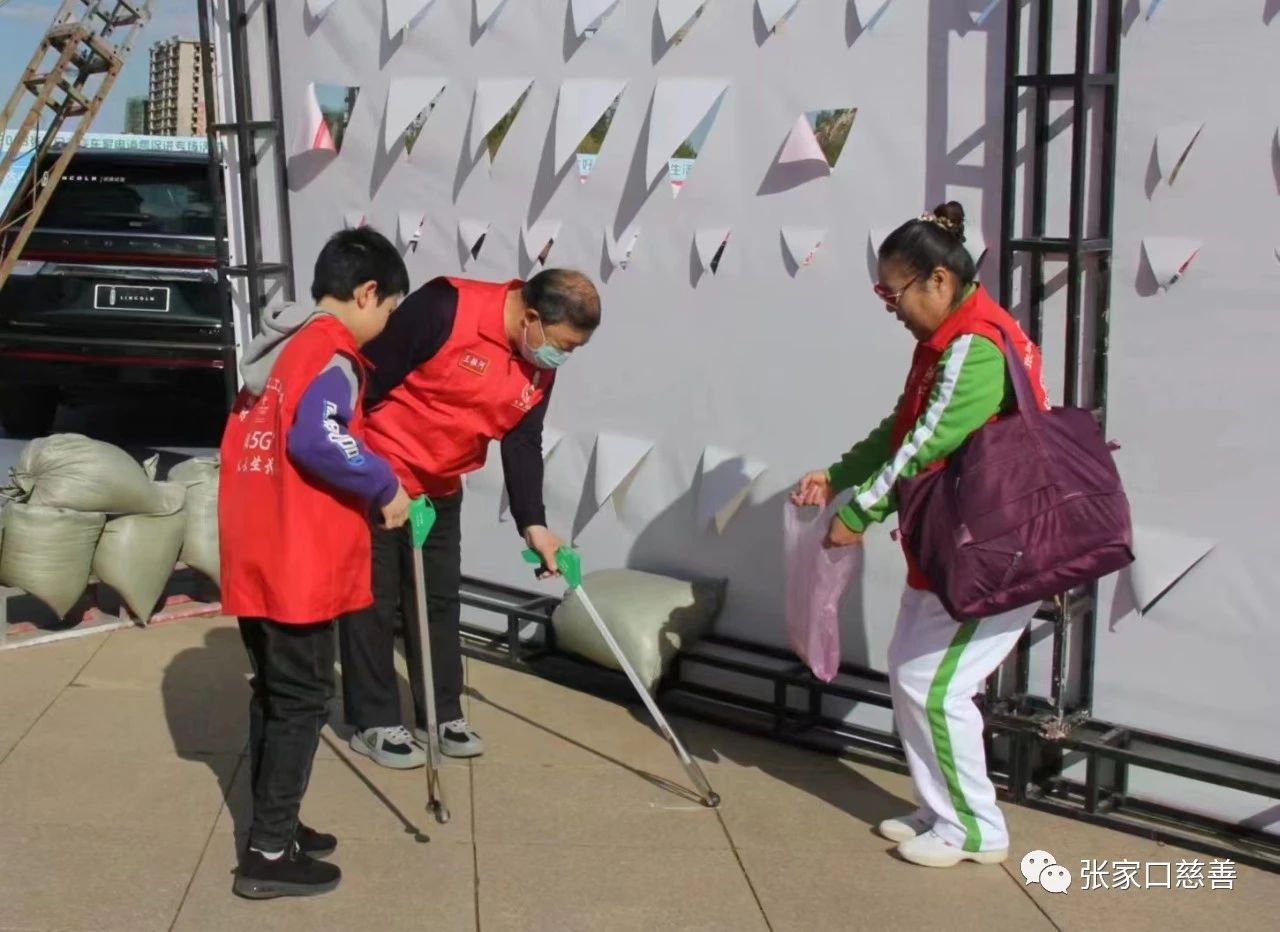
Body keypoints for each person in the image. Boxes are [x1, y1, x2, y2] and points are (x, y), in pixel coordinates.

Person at [792, 202, 1050, 869]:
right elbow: (901, 428)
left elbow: (925, 445)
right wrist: (838, 475)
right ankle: (941, 809)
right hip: (955, 546)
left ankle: (974, 828)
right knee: (913, 676)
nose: (892, 308)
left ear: (938, 279)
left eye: (894, 293)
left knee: (932, 684)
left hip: (995, 553)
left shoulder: (975, 346)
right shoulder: (948, 342)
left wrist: (858, 513)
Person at [338, 269, 601, 768]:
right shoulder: (444, 308)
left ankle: (441, 713)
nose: (562, 357)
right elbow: (364, 384)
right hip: (381, 477)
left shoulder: (537, 361)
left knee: (438, 600)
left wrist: (534, 524)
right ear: (530, 317)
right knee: (373, 600)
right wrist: (368, 472)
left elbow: (522, 439)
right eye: (563, 345)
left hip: (440, 485)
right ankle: (374, 721)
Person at [219, 228, 411, 898]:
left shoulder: (282, 347)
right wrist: (384, 484)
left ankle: (277, 825)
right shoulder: (332, 355)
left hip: (256, 548)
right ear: (367, 293)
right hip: (297, 557)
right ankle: (269, 854)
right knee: (302, 701)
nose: (387, 324)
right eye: (390, 309)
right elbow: (317, 438)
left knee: (274, 695)